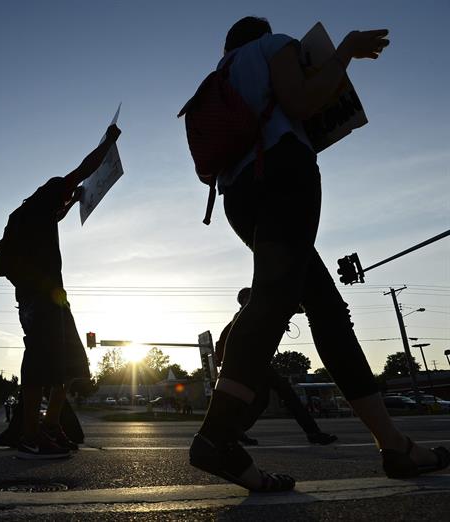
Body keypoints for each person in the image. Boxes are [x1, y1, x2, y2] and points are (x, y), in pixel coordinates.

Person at [188, 17, 449, 492]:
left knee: (325, 307)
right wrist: (344, 51)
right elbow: (302, 101)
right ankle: (217, 436)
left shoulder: (219, 76)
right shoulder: (274, 46)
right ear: (261, 31)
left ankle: (393, 445)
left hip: (238, 197)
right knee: (272, 300)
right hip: (284, 176)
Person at [0, 123, 121, 459]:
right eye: (64, 196)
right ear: (53, 192)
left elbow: (3, 264)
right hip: (44, 300)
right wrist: (109, 143)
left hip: (34, 302)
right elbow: (82, 170)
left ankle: (49, 426)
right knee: (45, 366)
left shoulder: (23, 217)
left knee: (67, 365)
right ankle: (31, 434)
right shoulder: (48, 194)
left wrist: (71, 204)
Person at [215, 288, 337, 446]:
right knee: (286, 392)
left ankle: (235, 430)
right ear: (245, 299)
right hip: (252, 363)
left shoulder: (243, 315)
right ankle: (313, 432)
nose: (255, 298)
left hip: (256, 363)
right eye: (250, 296)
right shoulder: (244, 314)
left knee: (262, 400)